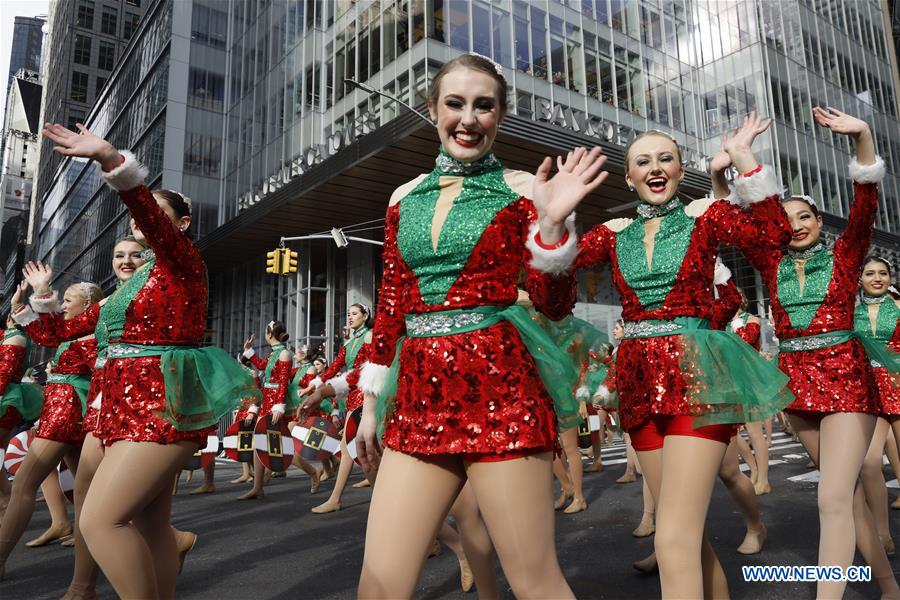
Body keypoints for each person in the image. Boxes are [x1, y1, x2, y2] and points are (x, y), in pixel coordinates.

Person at [354, 54, 608, 598]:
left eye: (483, 106)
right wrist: (371, 404)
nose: (468, 118)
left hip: (503, 392)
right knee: (378, 585)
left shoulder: (527, 189)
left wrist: (552, 227)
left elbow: (554, 305)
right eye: (455, 103)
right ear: (433, 110)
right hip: (418, 397)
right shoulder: (403, 197)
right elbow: (392, 304)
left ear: (500, 115)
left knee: (535, 583)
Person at [34, 122, 258, 598]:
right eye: (142, 215)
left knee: (99, 520)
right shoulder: (127, 287)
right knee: (151, 525)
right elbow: (55, 333)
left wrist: (113, 163)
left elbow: (149, 217)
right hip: (117, 411)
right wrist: (39, 297)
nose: (144, 221)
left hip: (160, 408)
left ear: (180, 224)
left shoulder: (183, 262)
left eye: (156, 214)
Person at [575, 113, 794, 598]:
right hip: (637, 384)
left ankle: (751, 525)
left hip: (697, 378)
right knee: (690, 543)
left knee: (672, 539)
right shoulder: (611, 233)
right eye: (643, 161)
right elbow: (548, 286)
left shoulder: (704, 218)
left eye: (665, 159)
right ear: (628, 177)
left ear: (678, 170)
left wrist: (744, 161)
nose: (655, 168)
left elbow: (773, 237)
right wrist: (553, 220)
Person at [727, 106, 899, 598]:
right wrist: (742, 157)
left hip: (846, 379)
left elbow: (865, 202)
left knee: (831, 497)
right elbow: (754, 215)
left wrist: (862, 136)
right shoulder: (769, 260)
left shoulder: (846, 254)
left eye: (805, 216)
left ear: (820, 221)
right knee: (845, 498)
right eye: (787, 219)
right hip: (797, 384)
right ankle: (889, 585)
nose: (796, 225)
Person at [0, 278, 101, 578]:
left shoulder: (90, 335)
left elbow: (102, 371)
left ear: (87, 305)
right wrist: (20, 303)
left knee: (23, 484)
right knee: (84, 491)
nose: (63, 305)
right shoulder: (73, 332)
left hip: (65, 415)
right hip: (64, 413)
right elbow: (44, 333)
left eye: (68, 300)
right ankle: (82, 566)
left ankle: (1, 558)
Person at [299, 303, 373, 513]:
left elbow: (368, 370)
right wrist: (314, 385)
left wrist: (323, 391)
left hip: (368, 397)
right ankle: (336, 498)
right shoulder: (350, 342)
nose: (350, 317)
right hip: (352, 396)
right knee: (349, 448)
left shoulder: (370, 336)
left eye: (355, 314)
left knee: (370, 448)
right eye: (348, 314)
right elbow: (333, 368)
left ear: (365, 316)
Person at [238, 321, 319, 499]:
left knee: (282, 448)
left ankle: (313, 472)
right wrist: (249, 351)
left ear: (269, 334)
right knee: (259, 442)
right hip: (267, 400)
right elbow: (261, 365)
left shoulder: (284, 353)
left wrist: (279, 406)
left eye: (265, 332)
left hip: (276, 404)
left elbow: (282, 382)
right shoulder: (274, 352)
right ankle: (258, 487)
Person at [856, 256, 900, 557]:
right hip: (869, 392)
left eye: (882, 273)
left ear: (890, 278)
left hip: (898, 385)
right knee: (870, 462)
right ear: (859, 279)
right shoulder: (850, 314)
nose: (877, 278)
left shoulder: (898, 308)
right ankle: (882, 533)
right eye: (870, 273)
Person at [0, 316, 43, 518]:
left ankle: (7, 501)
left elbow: (4, 374)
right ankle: (6, 501)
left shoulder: (15, 337)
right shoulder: (6, 336)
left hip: (6, 400)